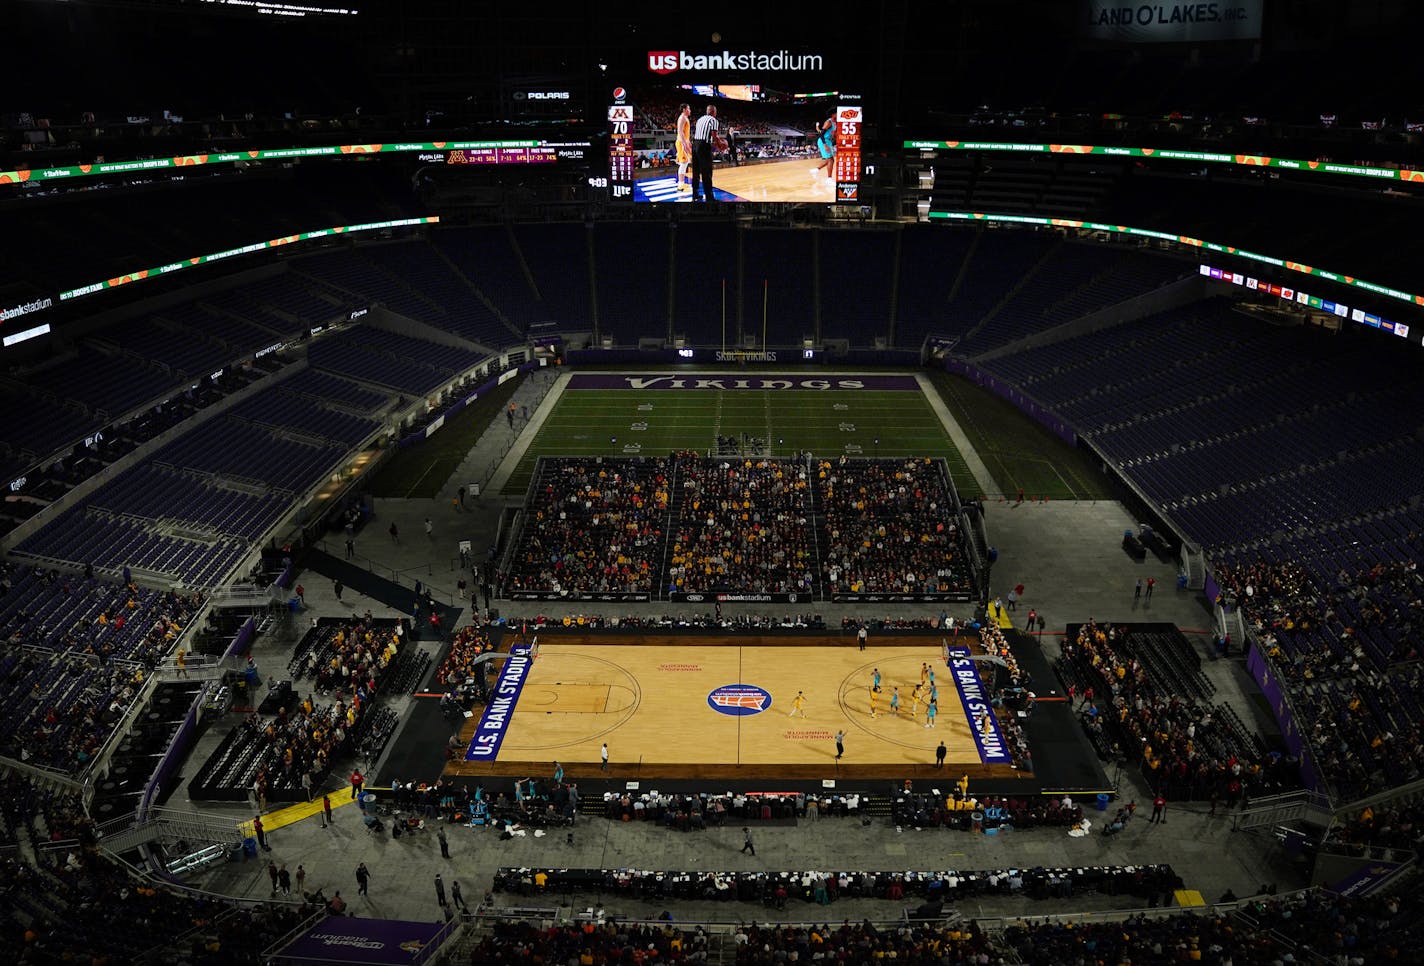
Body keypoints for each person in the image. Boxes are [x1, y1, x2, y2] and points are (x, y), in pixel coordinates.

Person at [691, 104, 720, 202]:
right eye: (715, 111)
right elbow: (714, 136)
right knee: (706, 172)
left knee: (695, 172)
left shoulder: (700, 119)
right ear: (713, 112)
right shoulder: (713, 120)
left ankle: (695, 194)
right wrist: (720, 145)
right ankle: (709, 197)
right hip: (703, 146)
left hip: (694, 144)